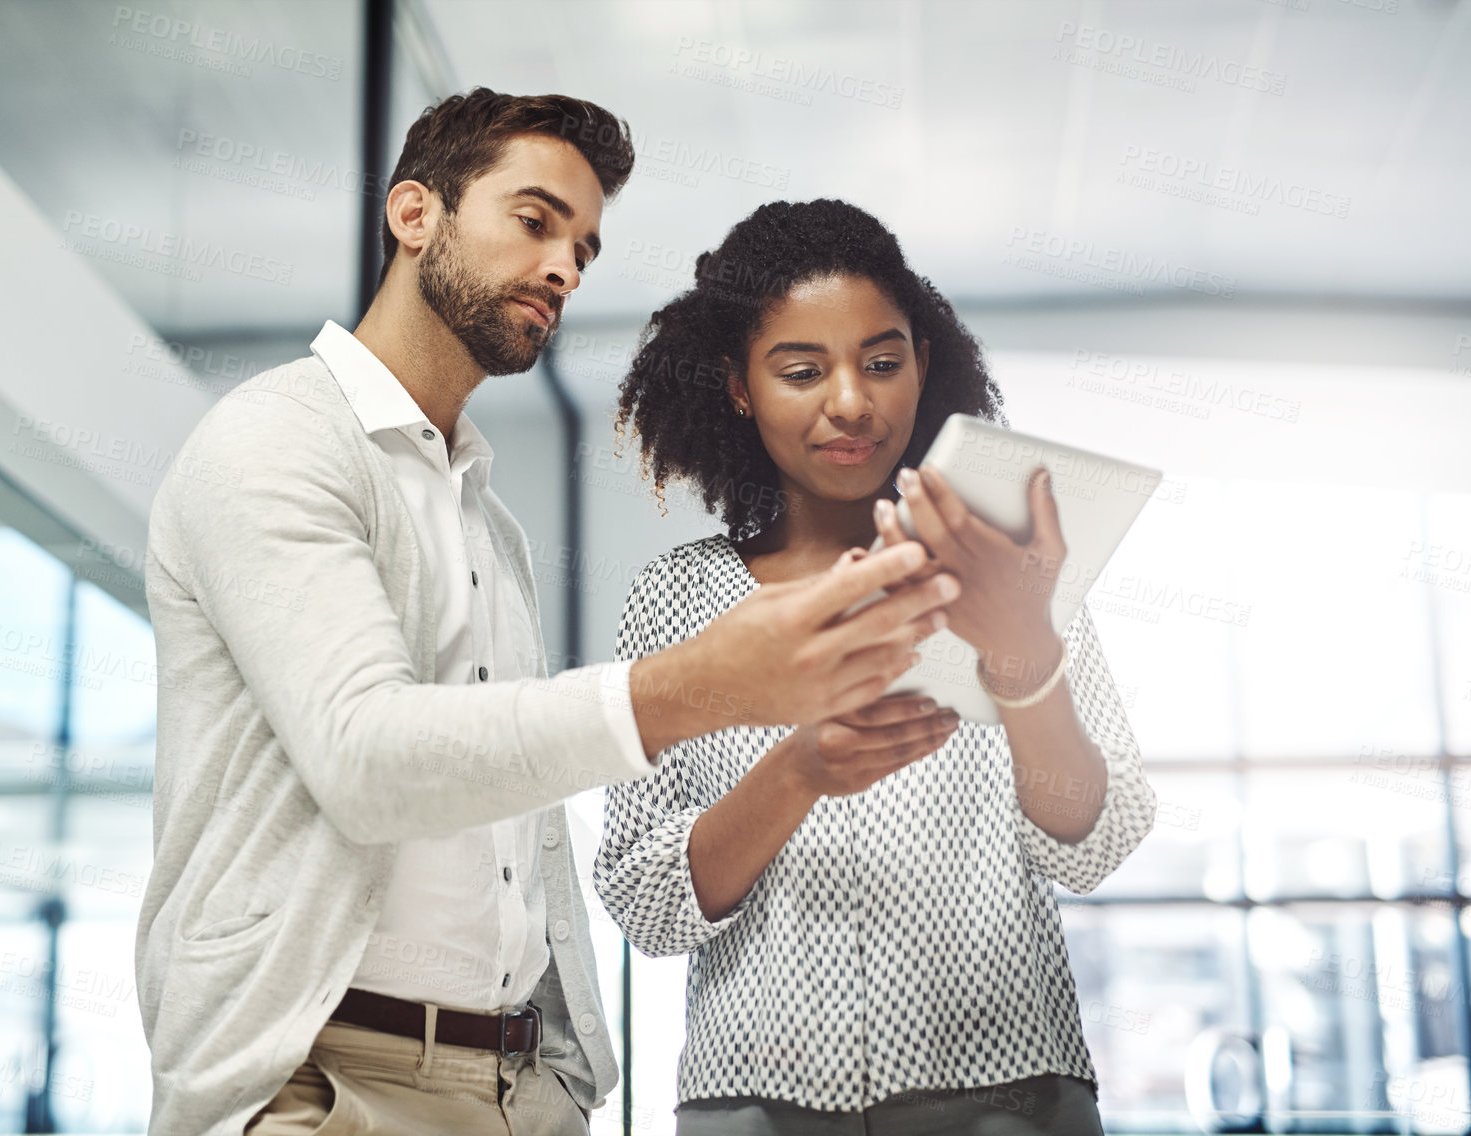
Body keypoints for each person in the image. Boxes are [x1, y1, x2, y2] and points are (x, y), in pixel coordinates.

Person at [134, 95, 956, 1136]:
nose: (565, 266)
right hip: (321, 1079)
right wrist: (699, 684)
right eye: (534, 221)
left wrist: (563, 1077)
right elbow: (364, 757)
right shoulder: (273, 443)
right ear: (414, 214)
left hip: (519, 1087)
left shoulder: (490, 526)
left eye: (583, 247)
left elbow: (514, 822)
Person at [594, 198, 1159, 1135]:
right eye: (802, 370)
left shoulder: (1008, 565)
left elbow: (1094, 841)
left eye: (882, 363)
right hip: (752, 1102)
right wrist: (801, 769)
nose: (851, 401)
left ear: (923, 365)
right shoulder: (676, 601)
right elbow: (647, 901)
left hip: (1010, 1090)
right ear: (738, 385)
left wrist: (1023, 658)